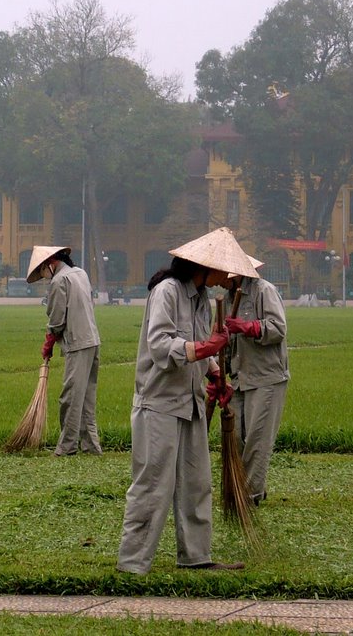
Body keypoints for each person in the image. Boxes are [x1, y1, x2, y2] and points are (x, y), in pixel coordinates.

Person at [116, 227, 259, 574]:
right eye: (226, 270)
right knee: (153, 485)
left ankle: (196, 557)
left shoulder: (202, 299)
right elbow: (161, 344)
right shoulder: (166, 292)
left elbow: (198, 344)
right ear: (205, 266)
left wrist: (213, 373)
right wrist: (205, 349)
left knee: (196, 484)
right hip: (160, 403)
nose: (229, 278)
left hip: (191, 402)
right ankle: (132, 563)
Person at [219, 257, 289, 507]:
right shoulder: (227, 299)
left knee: (258, 439)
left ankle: (249, 494)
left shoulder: (264, 291)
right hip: (239, 377)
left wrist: (247, 327)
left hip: (266, 377)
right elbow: (226, 342)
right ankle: (237, 486)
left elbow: (278, 329)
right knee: (235, 437)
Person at [26, 245, 102, 456]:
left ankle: (67, 446)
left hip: (78, 343)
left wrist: (48, 343)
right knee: (86, 397)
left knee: (70, 398)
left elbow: (57, 319)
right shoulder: (80, 274)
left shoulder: (59, 281)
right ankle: (91, 446)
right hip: (93, 341)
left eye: (43, 273)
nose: (45, 279)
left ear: (50, 264)